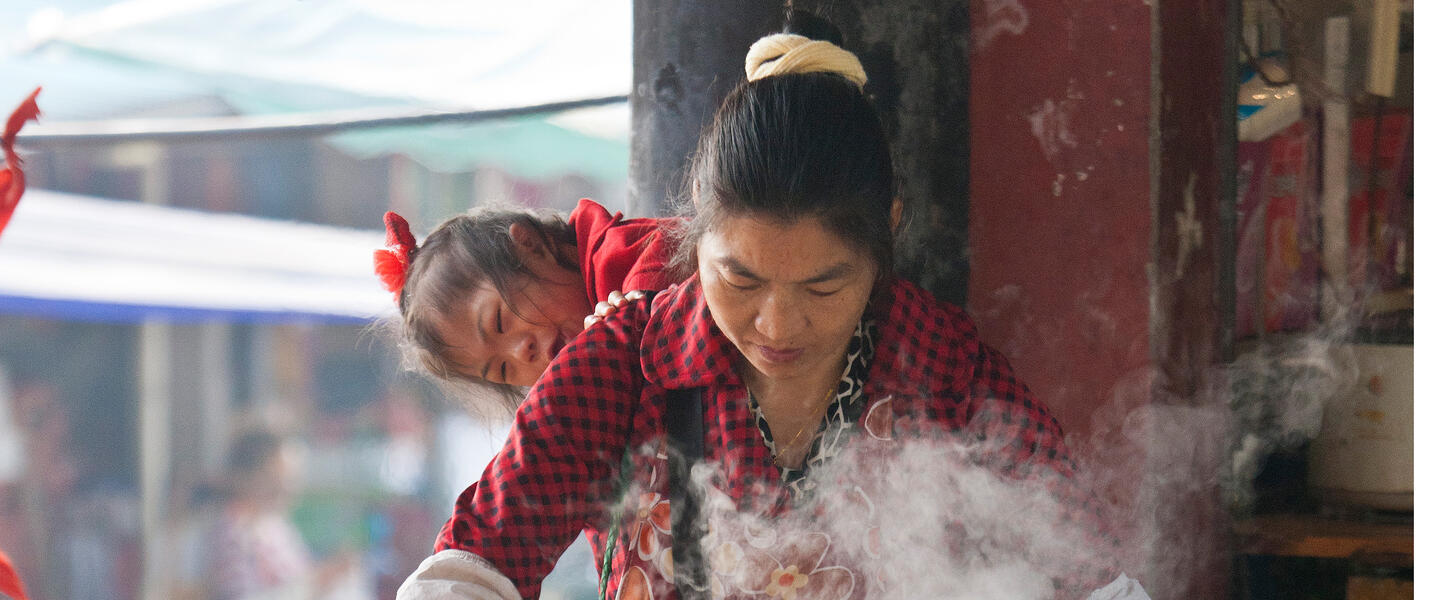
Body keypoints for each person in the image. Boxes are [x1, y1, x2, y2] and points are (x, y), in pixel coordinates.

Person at [399, 15, 1124, 600]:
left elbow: (1081, 565)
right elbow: (479, 559)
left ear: (887, 234)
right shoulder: (620, 364)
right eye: (740, 281)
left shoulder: (939, 363)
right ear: (696, 227)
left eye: (822, 288)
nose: (776, 326)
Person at [375, 198, 684, 414]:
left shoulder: (626, 254)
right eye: (504, 370)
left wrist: (631, 320)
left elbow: (667, 269)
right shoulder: (582, 396)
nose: (521, 353)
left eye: (499, 322)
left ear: (531, 246)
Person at [204, 428, 362, 600]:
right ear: (251, 477)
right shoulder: (233, 533)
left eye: (292, 478)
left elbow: (302, 578)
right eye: (280, 478)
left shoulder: (275, 527)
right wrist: (316, 583)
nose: (288, 487)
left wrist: (328, 577)